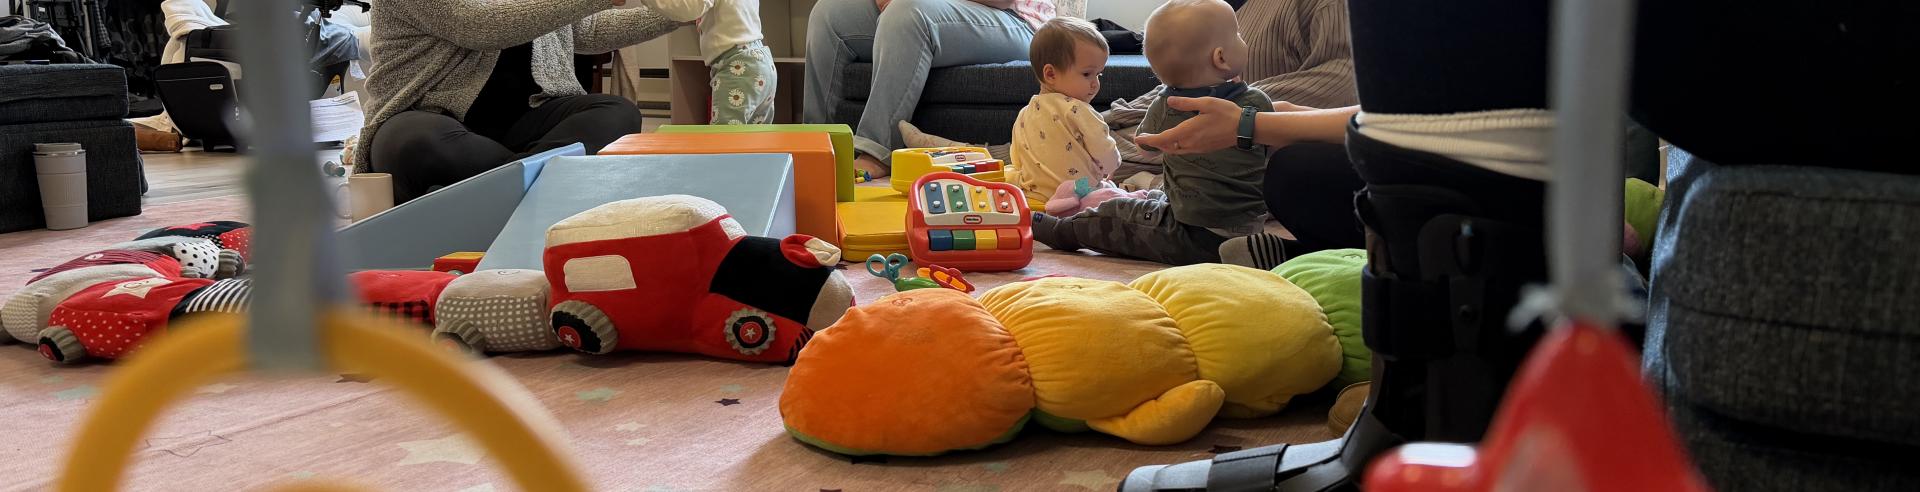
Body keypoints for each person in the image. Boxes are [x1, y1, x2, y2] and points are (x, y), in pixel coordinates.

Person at [356, 0, 680, 203]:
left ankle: (513, 188)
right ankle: (542, 187)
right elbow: (479, 25)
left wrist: (678, 13)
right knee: (418, 143)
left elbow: (588, 32)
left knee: (617, 112)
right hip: (424, 116)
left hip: (527, 120)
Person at [1029, 0, 1271, 266]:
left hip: (1194, 234)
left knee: (1115, 215)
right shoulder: (1257, 101)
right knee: (1153, 198)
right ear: (1221, 58)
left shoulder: (1167, 105)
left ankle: (1060, 230)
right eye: (1237, 34)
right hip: (1250, 224)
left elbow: (1145, 148)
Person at [802, 0, 1057, 178]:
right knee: (828, 14)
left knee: (908, 13)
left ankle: (876, 153)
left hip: (1017, 20)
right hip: (938, 7)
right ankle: (817, 151)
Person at [1004, 16, 1157, 215]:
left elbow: (1017, 157)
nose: (1095, 84)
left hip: (1036, 195)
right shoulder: (1078, 110)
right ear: (1050, 74)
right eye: (1087, 74)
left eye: (1098, 75)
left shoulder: (1025, 113)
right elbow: (1105, 150)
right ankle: (1133, 198)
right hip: (1080, 192)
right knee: (1107, 190)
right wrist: (1111, 165)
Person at [634, 0, 776, 124]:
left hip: (738, 66)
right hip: (761, 61)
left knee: (724, 137)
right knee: (756, 137)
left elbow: (690, 8)